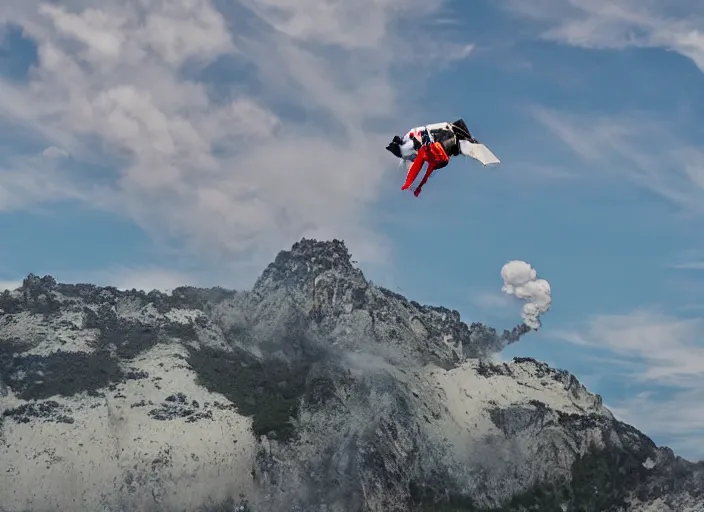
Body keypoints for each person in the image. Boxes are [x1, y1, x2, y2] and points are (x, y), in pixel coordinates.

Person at [400, 127, 450, 197]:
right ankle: (425, 138)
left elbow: (418, 172)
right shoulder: (423, 154)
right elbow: (415, 171)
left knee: (431, 147)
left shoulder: (427, 151)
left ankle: (426, 138)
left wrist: (411, 186)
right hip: (438, 158)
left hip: (439, 157)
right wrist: (409, 185)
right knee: (429, 150)